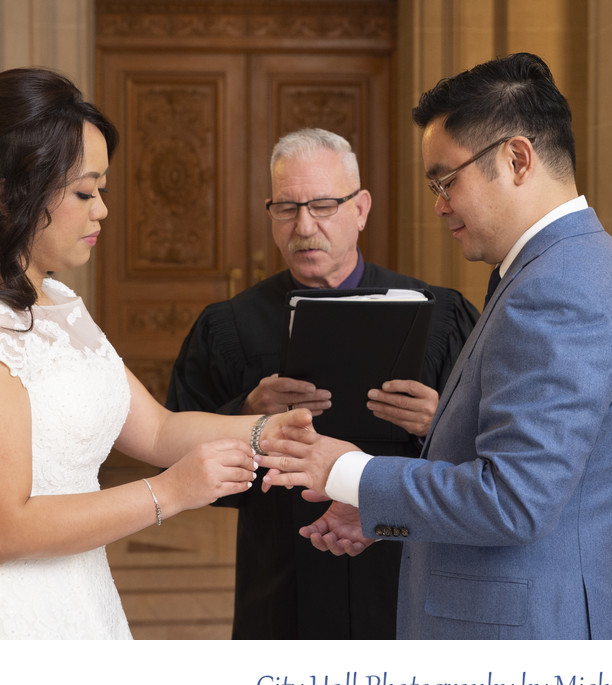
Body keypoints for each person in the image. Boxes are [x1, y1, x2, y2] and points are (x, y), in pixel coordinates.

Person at [0, 67, 290, 640]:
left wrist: (268, 433)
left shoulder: (59, 303)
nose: (102, 211)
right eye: (84, 192)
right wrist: (168, 493)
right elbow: (0, 531)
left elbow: (161, 432)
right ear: (6, 193)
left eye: (103, 191)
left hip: (76, 604)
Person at [258, 53, 612, 639]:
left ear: (516, 159)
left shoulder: (559, 287)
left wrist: (347, 471)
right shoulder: (555, 266)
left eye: (446, 180)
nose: (439, 203)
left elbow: (514, 500)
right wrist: (383, 513)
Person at [166, 127, 479, 639]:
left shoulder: (439, 317)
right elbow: (175, 454)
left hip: (401, 568)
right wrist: (248, 412)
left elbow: (495, 463)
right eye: (286, 208)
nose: (304, 226)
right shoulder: (230, 327)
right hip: (284, 576)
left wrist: (437, 422)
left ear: (360, 209)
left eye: (324, 205)